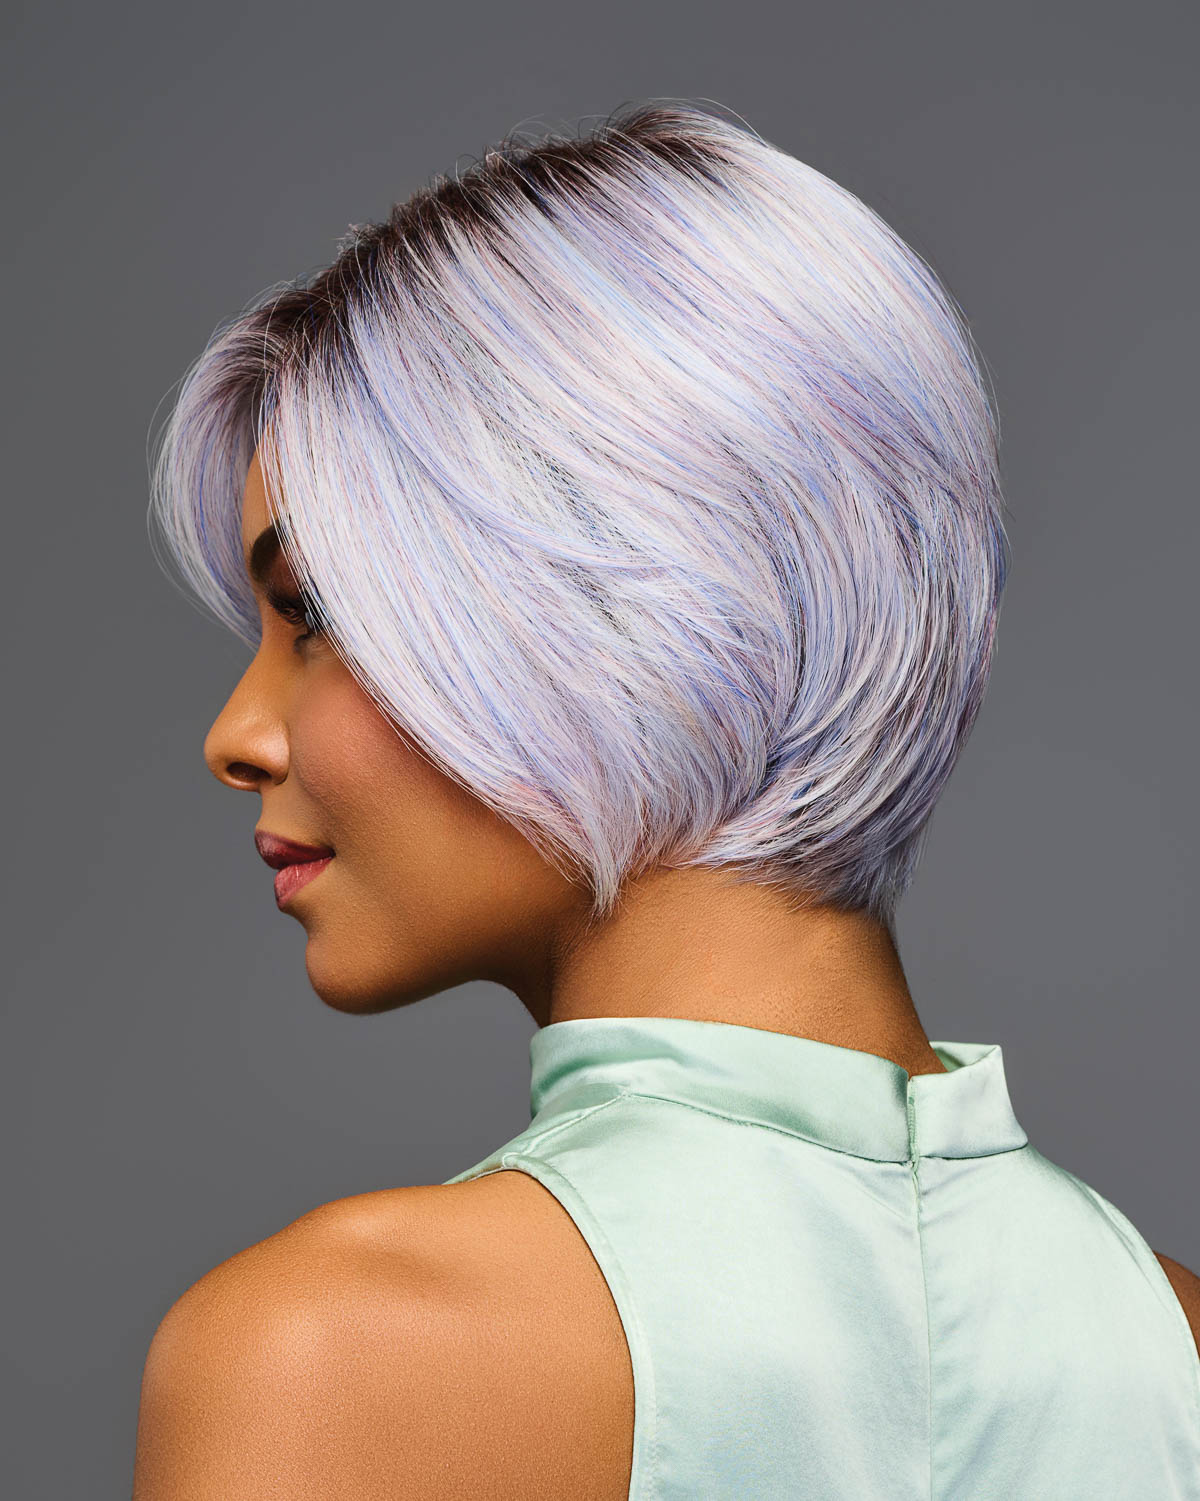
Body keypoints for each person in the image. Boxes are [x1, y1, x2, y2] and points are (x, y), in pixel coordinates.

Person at [132, 100, 1200, 1498]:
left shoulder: (328, 1358)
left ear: (607, 604)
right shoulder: (1174, 1347)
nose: (237, 735)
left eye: (313, 616)